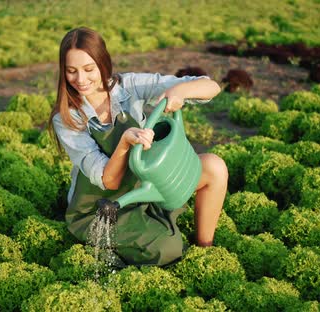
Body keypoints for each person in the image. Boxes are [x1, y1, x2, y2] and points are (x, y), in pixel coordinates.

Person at [49, 27, 228, 266]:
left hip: (147, 184)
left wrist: (179, 91)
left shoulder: (127, 86)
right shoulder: (67, 119)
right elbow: (109, 181)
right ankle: (107, 248)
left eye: (88, 69)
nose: (80, 80)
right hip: (104, 206)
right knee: (167, 249)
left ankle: (205, 248)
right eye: (71, 71)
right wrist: (124, 143)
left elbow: (210, 87)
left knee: (213, 167)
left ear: (103, 62)